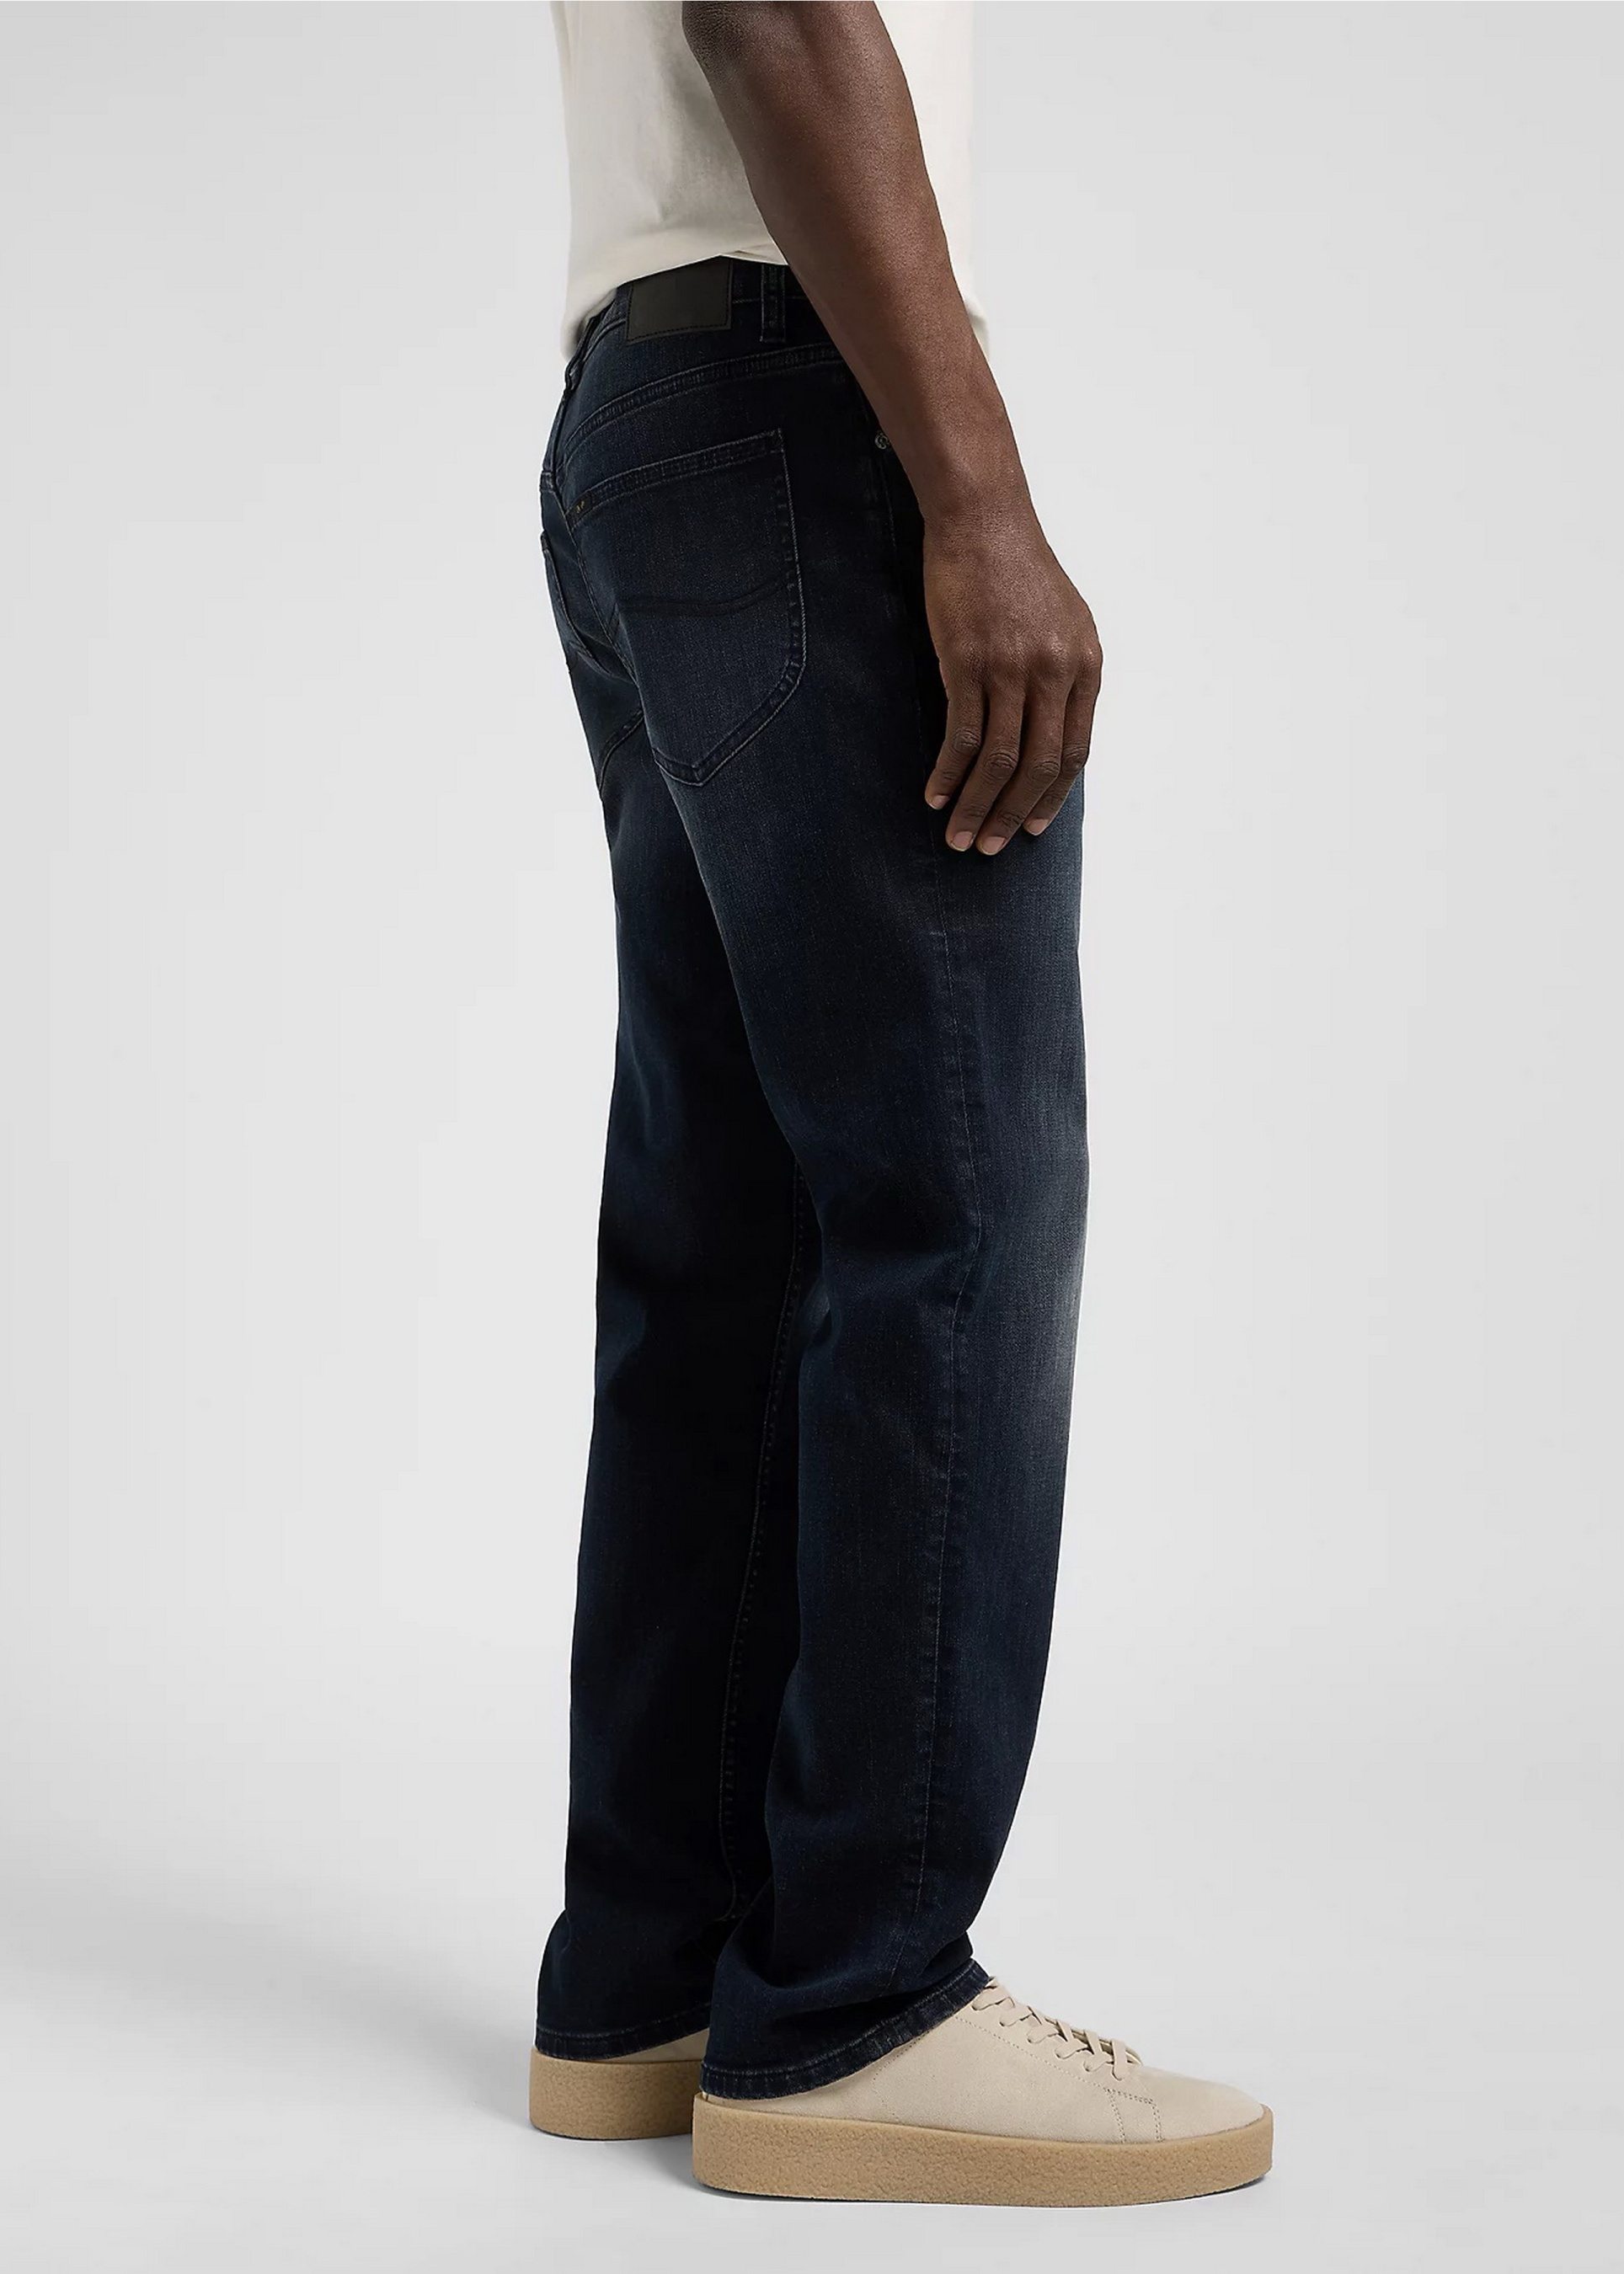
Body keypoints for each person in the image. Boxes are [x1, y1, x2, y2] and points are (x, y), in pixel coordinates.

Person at [527, 1, 1270, 2208]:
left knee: (731, 1235)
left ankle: (657, 1973)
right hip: (797, 398)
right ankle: (857, 2000)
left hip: (646, 414)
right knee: (952, 1205)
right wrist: (976, 501)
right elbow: (772, 14)